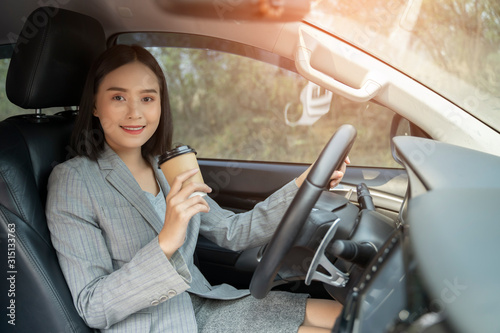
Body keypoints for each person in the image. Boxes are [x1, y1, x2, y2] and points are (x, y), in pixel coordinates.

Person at [46, 44, 348, 333]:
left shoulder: (167, 166)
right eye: (118, 98)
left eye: (147, 98)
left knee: (352, 318)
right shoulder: (73, 180)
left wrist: (304, 183)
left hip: (205, 303)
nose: (135, 113)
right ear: (96, 105)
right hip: (153, 326)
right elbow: (92, 306)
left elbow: (235, 231)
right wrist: (165, 241)